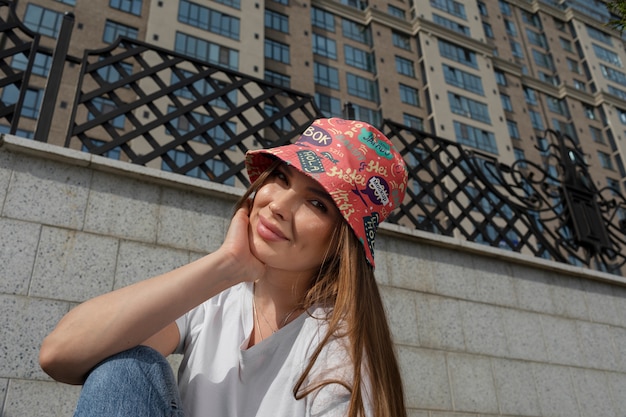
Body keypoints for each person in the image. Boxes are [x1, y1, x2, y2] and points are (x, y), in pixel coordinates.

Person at [39, 117, 409, 417]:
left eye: (318, 205)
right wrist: (225, 265)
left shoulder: (338, 351)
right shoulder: (221, 297)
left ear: (342, 242)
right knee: (123, 368)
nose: (278, 204)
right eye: (281, 178)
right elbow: (60, 355)